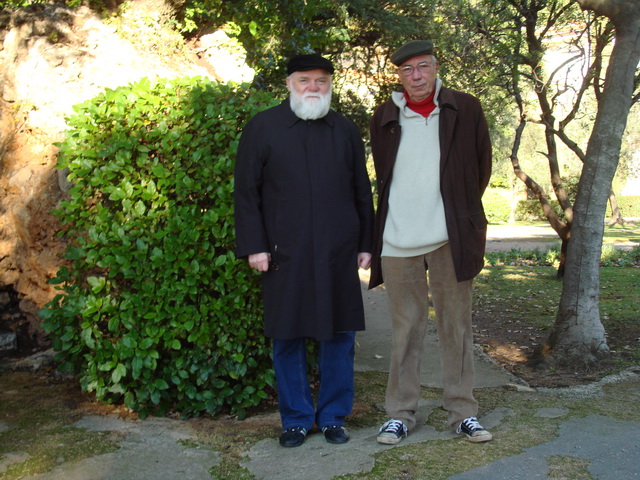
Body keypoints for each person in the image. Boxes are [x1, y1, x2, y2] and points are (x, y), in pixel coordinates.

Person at [234, 54, 374, 448]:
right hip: (284, 253)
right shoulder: (263, 127)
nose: (313, 87)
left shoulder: (344, 129)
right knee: (287, 335)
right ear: (289, 84)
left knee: (339, 335)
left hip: (337, 251)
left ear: (330, 85)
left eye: (321, 81)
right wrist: (255, 246)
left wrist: (366, 243)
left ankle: (333, 417)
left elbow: (361, 190)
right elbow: (246, 192)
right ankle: (295, 419)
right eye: (305, 80)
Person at [369, 40, 493, 444]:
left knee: (456, 325)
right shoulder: (384, 115)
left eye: (423, 66)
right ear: (399, 76)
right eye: (407, 70)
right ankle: (400, 413)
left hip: (448, 238)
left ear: (436, 68)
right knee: (406, 329)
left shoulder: (465, 108)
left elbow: (481, 167)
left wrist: (457, 213)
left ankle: (462, 411)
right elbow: (384, 173)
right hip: (397, 239)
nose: (417, 76)